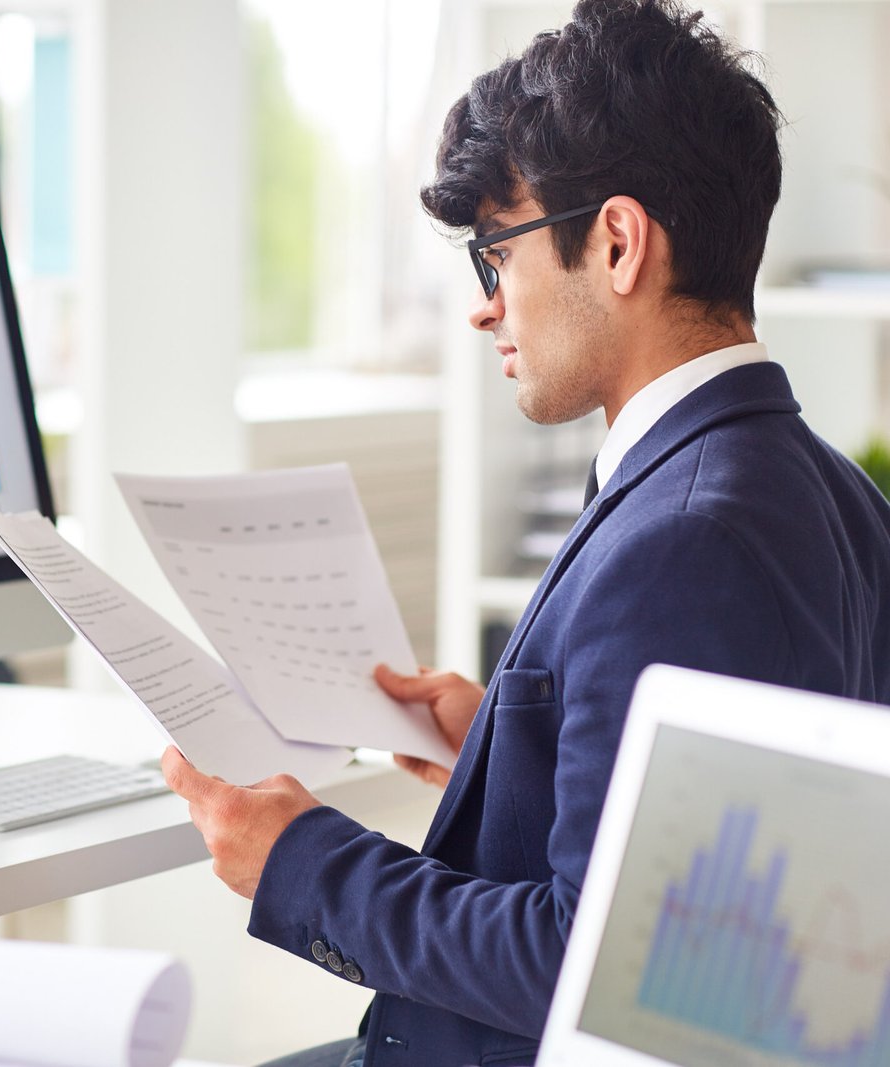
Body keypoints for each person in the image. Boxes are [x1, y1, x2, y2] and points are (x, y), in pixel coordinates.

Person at [160, 2, 890, 1065]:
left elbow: (590, 963)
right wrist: (508, 745)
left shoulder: (685, 540)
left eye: (495, 255)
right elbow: (721, 849)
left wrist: (302, 861)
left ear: (617, 243)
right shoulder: (826, 486)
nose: (483, 306)